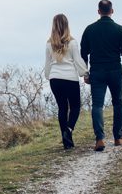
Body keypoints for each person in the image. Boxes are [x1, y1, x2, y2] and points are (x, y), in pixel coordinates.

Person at [80, 0, 122, 151]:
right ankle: (118, 137)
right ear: (112, 11)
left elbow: (83, 54)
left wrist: (85, 73)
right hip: (115, 71)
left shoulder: (89, 30)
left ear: (98, 11)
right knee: (118, 103)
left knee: (97, 105)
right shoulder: (120, 30)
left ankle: (100, 139)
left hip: (97, 72)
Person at [44, 13, 89, 149]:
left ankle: (66, 141)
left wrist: (49, 76)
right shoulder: (72, 42)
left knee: (62, 108)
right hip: (70, 78)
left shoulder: (48, 44)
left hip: (55, 79)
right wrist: (85, 73)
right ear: (66, 25)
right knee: (75, 106)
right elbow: (78, 61)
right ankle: (68, 131)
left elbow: (47, 63)